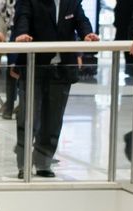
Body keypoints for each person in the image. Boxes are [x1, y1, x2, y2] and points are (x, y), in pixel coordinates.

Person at [11, 0, 99, 178]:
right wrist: (22, 35)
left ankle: (43, 163)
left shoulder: (72, 2)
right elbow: (22, 19)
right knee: (28, 118)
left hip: (62, 70)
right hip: (33, 67)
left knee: (53, 120)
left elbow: (82, 21)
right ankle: (23, 165)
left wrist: (87, 34)